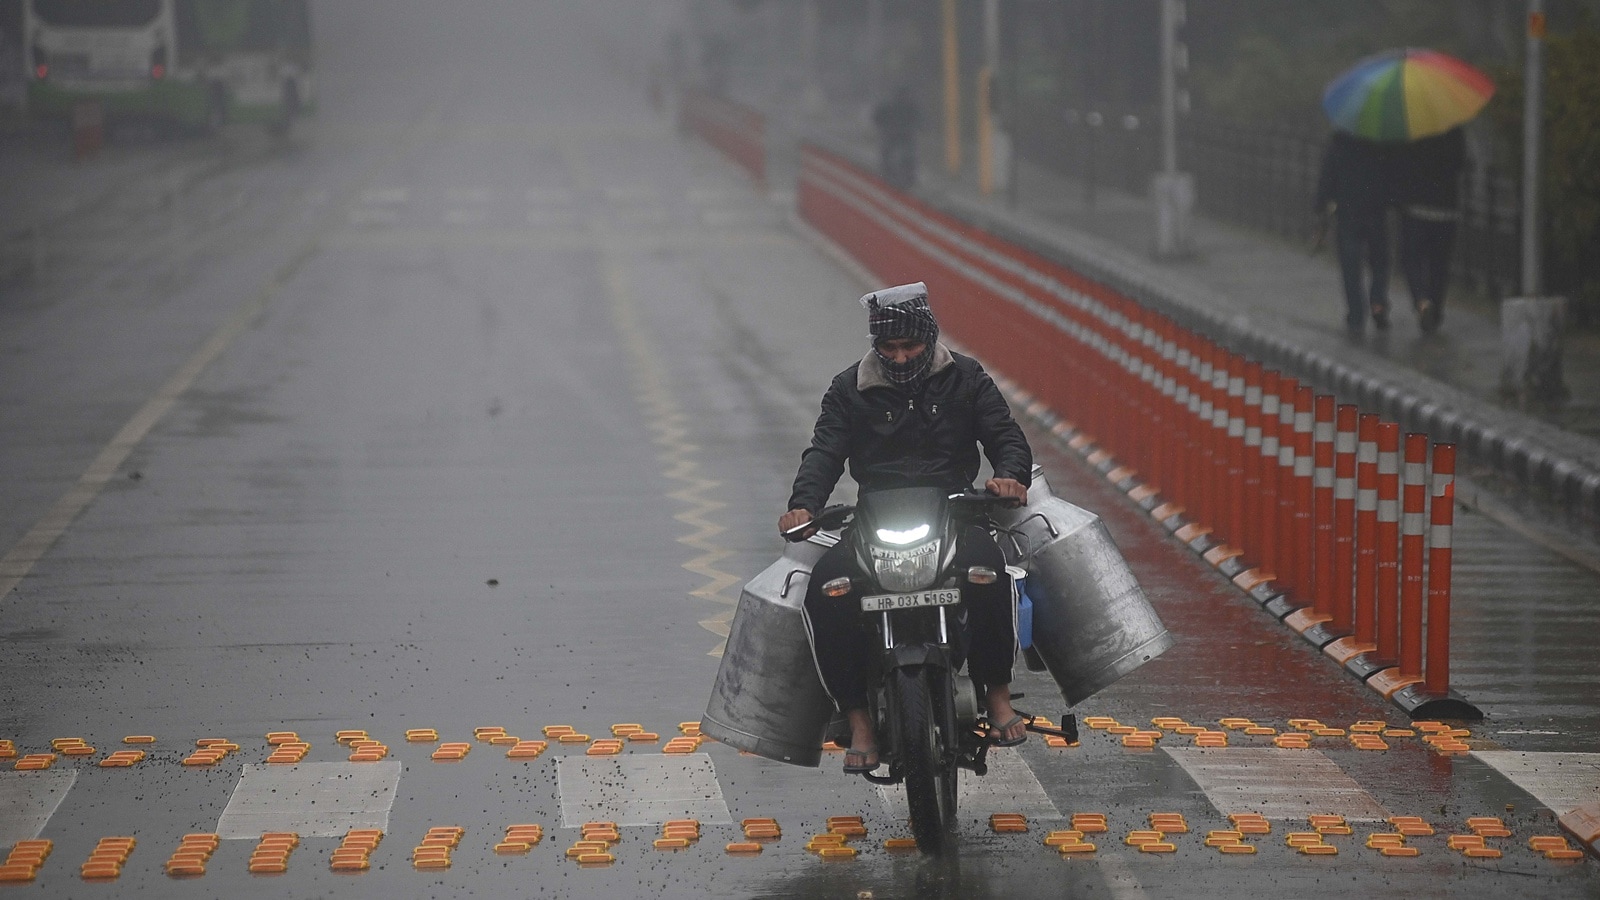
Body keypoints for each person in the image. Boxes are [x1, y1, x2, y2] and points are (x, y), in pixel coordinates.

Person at [779, 282, 1033, 774]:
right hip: (874, 516)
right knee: (825, 591)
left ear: (929, 337)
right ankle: (857, 719)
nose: (899, 357)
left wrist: (1009, 477)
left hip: (956, 512)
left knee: (991, 573)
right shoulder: (847, 388)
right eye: (888, 348)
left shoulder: (967, 377)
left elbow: (1005, 434)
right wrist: (803, 506)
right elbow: (825, 452)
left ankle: (998, 696)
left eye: (910, 346)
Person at [1314, 131, 1397, 335]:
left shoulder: (1340, 143)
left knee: (1351, 265)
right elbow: (1391, 174)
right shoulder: (1380, 142)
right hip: (1375, 210)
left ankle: (1356, 315)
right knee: (1380, 261)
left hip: (1348, 212)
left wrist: (1319, 204)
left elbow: (1327, 176)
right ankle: (1378, 302)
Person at [1394, 127, 1466, 334]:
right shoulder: (1453, 128)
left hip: (1416, 206)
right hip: (1446, 207)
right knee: (1440, 263)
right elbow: (1460, 163)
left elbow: (1401, 163)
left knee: (1411, 258)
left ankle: (1422, 301)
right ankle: (1436, 309)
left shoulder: (1412, 128)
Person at [871, 86, 920, 190]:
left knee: (895, 153)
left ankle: (891, 174)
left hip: (896, 134)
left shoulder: (889, 105)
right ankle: (904, 176)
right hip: (901, 134)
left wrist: (882, 126)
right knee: (901, 154)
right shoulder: (909, 105)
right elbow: (920, 117)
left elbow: (877, 117)